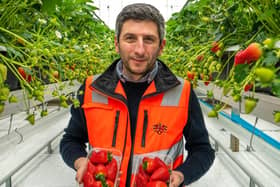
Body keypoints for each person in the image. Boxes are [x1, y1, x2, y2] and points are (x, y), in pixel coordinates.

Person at [60, 3, 215, 187]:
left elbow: (202, 149)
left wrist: (181, 175)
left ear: (161, 46)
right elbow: (70, 140)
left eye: (149, 39)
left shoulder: (182, 91)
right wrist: (80, 162)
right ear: (117, 44)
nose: (139, 50)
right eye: (130, 38)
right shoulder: (90, 89)